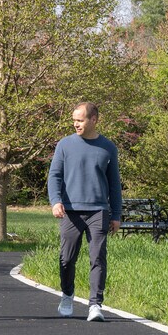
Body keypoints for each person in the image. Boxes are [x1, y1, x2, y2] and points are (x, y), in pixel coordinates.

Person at [47, 102, 122, 322]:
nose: (76, 124)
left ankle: (95, 304)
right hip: (70, 211)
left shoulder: (108, 147)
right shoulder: (65, 145)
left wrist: (116, 214)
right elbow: (55, 176)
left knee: (98, 257)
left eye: (80, 120)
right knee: (67, 258)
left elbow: (114, 184)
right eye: (74, 120)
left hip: (98, 210)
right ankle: (68, 294)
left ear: (94, 120)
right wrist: (55, 201)